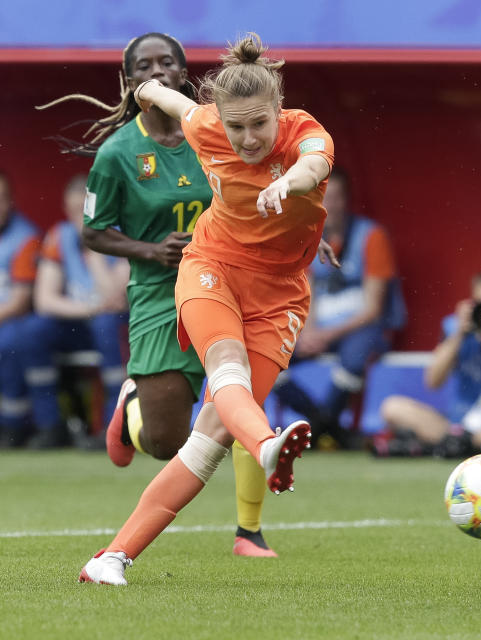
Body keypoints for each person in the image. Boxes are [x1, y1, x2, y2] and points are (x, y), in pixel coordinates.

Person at [76, 32, 338, 585]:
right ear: (221, 117)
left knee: (211, 437)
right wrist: (146, 90)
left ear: (278, 110)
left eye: (258, 125)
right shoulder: (204, 125)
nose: (246, 138)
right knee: (226, 370)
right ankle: (267, 447)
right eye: (235, 126)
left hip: (281, 293)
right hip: (211, 264)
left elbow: (313, 167)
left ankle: (110, 559)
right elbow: (180, 104)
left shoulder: (306, 132)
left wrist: (287, 185)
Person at [38, 32, 282, 557]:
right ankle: (131, 408)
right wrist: (151, 250)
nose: (158, 71)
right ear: (131, 83)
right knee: (169, 443)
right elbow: (93, 231)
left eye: (167, 62)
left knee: (240, 401)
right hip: (157, 293)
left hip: (230, 281)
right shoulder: (118, 153)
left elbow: (263, 186)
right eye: (145, 66)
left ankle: (249, 531)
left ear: (183, 73)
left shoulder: (215, 131)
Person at [272, 167, 405, 448]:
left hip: (360, 326)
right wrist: (309, 332)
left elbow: (373, 308)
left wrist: (327, 335)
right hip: (319, 326)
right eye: (324, 198)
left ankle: (319, 428)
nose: (330, 205)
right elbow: (308, 295)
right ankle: (322, 424)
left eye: (337, 198)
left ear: (347, 200)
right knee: (269, 355)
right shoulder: (306, 236)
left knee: (355, 357)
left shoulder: (371, 236)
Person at [379, 269, 481, 458]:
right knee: (392, 407)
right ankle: (463, 444)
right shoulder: (454, 327)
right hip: (458, 422)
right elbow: (433, 381)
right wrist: (459, 334)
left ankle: (463, 446)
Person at [30, 174, 128, 444]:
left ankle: (112, 428)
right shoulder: (59, 236)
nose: (79, 219)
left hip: (116, 327)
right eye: (73, 212)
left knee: (106, 324)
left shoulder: (121, 234)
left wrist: (93, 251)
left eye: (85, 211)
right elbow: (45, 301)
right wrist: (89, 309)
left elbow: (116, 299)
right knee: (33, 331)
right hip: (82, 321)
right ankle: (50, 426)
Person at [0, 171, 44, 447]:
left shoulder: (25, 238)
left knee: (9, 341)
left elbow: (20, 302)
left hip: (14, 321)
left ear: (11, 202)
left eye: (2, 199)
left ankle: (12, 426)